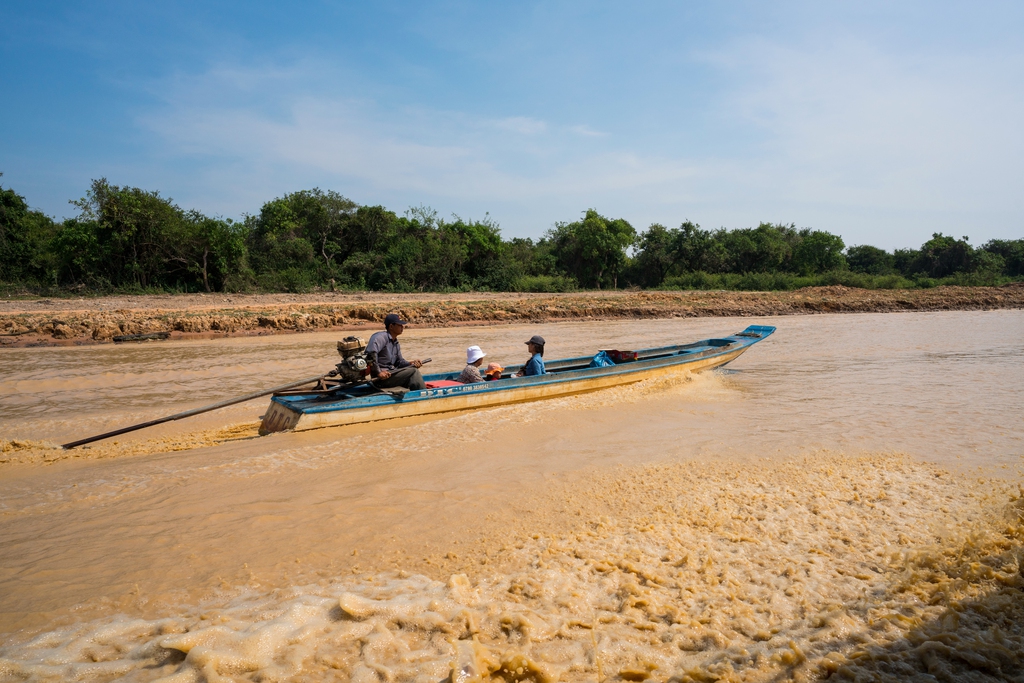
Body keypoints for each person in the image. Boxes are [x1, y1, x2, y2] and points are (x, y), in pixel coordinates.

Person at [366, 314, 425, 391]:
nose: (402, 327)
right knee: (413, 372)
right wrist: (379, 372)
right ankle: (423, 395)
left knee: (412, 368)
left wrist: (411, 363)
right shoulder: (380, 337)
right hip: (380, 379)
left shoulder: (395, 342)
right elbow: (371, 354)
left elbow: (399, 362)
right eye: (399, 325)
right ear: (391, 326)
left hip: (391, 374)